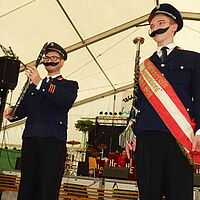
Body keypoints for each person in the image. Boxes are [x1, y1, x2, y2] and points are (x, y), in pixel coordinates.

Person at [133, 3, 200, 200]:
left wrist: (199, 131)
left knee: (179, 192)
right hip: (147, 136)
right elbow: (138, 103)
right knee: (148, 192)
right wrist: (134, 132)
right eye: (152, 25)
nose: (155, 28)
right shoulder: (145, 66)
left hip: (177, 137)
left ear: (174, 26)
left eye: (161, 22)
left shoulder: (193, 60)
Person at [3, 42, 78, 200]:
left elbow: (64, 100)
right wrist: (12, 113)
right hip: (31, 139)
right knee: (27, 185)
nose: (50, 60)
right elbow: (23, 110)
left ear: (62, 61)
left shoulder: (69, 85)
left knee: (48, 187)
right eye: (47, 57)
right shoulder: (32, 87)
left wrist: (40, 83)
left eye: (54, 57)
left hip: (52, 141)